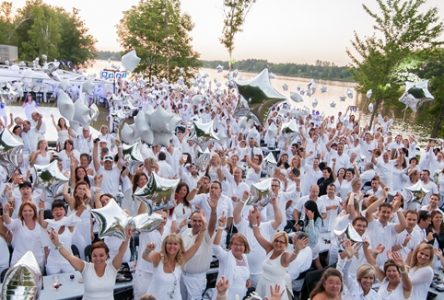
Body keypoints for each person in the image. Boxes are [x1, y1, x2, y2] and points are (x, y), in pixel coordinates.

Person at [49, 227, 131, 300]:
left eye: (101, 255)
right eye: (94, 256)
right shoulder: (85, 267)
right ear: (91, 257)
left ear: (107, 256)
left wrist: (127, 238)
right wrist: (57, 244)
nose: (98, 258)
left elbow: (120, 252)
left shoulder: (112, 267)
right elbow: (69, 256)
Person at [250, 212, 308, 300]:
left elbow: (291, 258)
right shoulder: (269, 248)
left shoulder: (285, 255)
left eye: (281, 242)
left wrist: (297, 250)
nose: (278, 243)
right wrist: (254, 222)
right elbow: (257, 234)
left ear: (285, 244)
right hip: (262, 284)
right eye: (276, 240)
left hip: (275, 289)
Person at [142, 223, 207, 300]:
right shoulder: (158, 257)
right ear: (165, 245)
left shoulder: (181, 260)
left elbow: (197, 244)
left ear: (179, 246)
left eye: (175, 244)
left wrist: (203, 229)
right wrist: (147, 250)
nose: (172, 246)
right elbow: (145, 257)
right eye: (169, 243)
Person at [38, 199, 79, 275]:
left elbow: (77, 214)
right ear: (52, 212)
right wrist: (41, 209)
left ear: (65, 211)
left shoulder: (69, 223)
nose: (58, 212)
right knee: (53, 285)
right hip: (53, 262)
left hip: (68, 260)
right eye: (56, 210)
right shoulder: (50, 223)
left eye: (61, 209)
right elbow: (41, 223)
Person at [3, 201, 46, 270]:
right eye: (25, 211)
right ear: (21, 212)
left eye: (30, 210)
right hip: (19, 262)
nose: (27, 213)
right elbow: (8, 221)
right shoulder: (18, 223)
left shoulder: (39, 225)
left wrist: (41, 210)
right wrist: (5, 212)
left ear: (34, 211)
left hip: (37, 262)